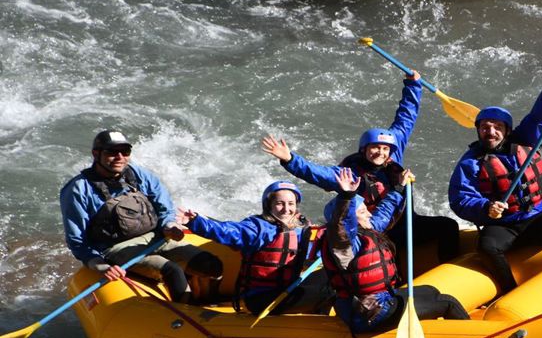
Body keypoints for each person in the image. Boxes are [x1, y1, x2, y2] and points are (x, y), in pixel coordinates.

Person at [261, 69, 460, 266]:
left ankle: (451, 273)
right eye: (375, 148)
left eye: (384, 149)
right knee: (389, 256)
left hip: (405, 222)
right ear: (364, 149)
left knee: (448, 226)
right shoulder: (350, 173)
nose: (380, 153)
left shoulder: (392, 156)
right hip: (373, 230)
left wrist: (413, 86)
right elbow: (316, 173)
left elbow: (405, 119)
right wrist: (289, 159)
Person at [448, 60, 542, 292]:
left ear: (507, 131)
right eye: (485, 127)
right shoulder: (471, 161)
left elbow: (539, 117)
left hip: (534, 216)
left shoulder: (526, 140)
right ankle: (509, 290)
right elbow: (460, 198)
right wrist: (485, 207)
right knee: (487, 247)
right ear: (478, 130)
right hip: (504, 224)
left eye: (497, 127)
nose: (491, 131)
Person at [60, 130, 223, 303]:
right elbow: (76, 239)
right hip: (116, 248)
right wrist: (98, 264)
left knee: (211, 264)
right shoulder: (78, 189)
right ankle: (187, 309)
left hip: (157, 237)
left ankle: (206, 306)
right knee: (172, 271)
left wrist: (168, 225)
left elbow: (164, 206)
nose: (120, 157)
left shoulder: (138, 174)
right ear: (96, 154)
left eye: (125, 152)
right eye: (112, 152)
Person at [323, 167, 469, 335]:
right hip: (368, 314)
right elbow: (339, 225)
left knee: (431, 290)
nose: (369, 215)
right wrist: (345, 196)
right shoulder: (344, 244)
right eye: (363, 212)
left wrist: (399, 187)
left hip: (380, 300)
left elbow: (383, 212)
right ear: (350, 219)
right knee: (449, 303)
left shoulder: (367, 230)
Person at [176, 181, 334, 316]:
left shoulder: (299, 230)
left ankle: (320, 317)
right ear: (268, 206)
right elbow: (227, 231)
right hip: (262, 299)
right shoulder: (257, 228)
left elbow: (312, 255)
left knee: (335, 277)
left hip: (286, 290)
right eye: (279, 203)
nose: (286, 209)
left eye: (291, 204)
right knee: (330, 291)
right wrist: (195, 222)